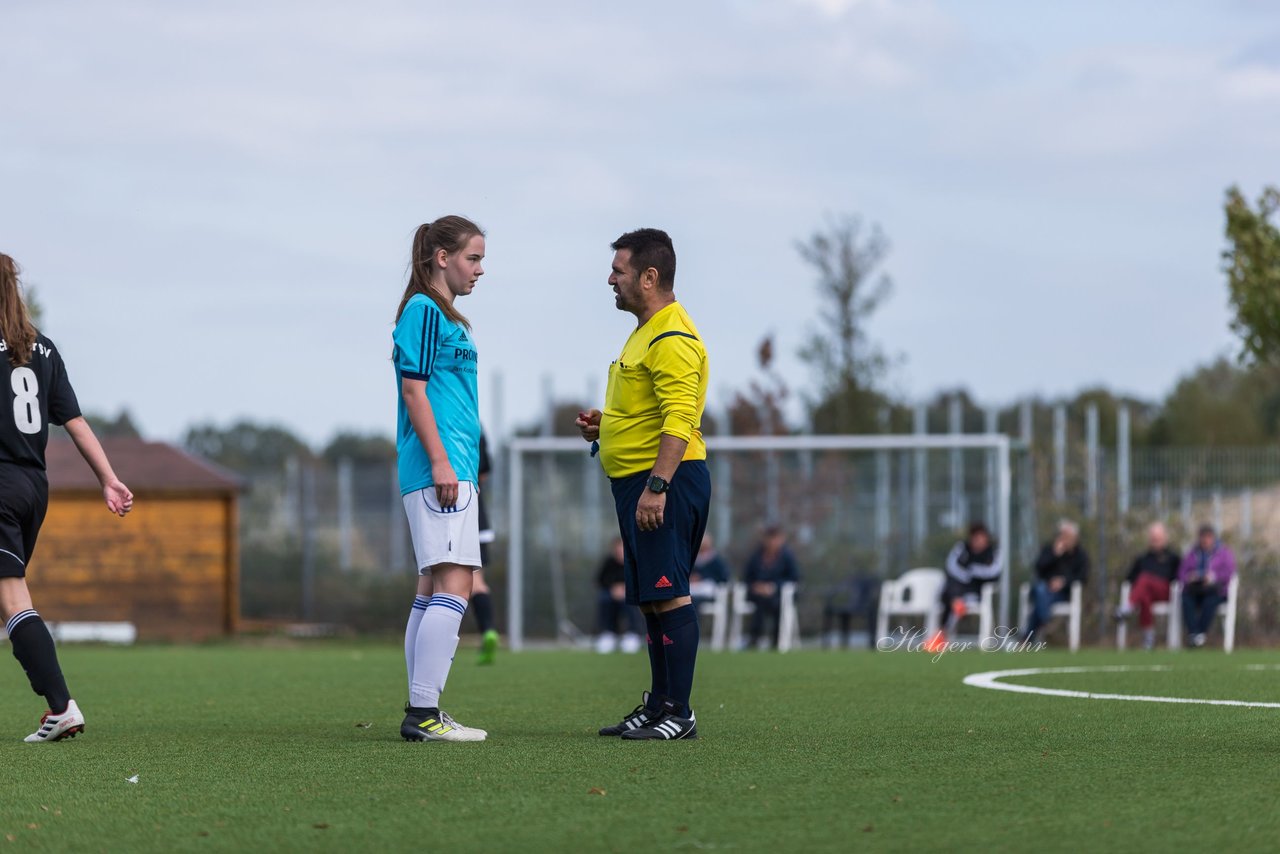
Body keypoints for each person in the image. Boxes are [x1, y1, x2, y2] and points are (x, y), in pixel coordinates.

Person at [576, 227, 710, 741]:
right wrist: (605, 426)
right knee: (652, 600)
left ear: (650, 277)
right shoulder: (645, 331)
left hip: (666, 483)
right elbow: (651, 412)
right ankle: (659, 706)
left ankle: (679, 712)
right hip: (640, 481)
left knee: (669, 595)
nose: (610, 279)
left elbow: (680, 420)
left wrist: (658, 485)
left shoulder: (673, 337)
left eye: (619, 270)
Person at [0, 253, 134, 742]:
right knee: (6, 597)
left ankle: (61, 706)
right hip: (33, 488)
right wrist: (109, 478)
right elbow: (74, 422)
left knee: (13, 600)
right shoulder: (44, 350)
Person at [393, 216, 488, 742]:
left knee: (434, 585)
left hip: (453, 468)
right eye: (473, 259)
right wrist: (441, 462)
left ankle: (422, 709)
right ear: (441, 257)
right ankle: (423, 712)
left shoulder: (444, 315)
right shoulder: (424, 310)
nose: (479, 270)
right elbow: (414, 392)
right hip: (440, 470)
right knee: (456, 581)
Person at [1115, 522, 1181, 650]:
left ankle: (1128, 607)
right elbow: (1130, 578)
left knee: (1145, 578)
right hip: (1147, 594)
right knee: (1144, 595)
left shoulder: (1173, 558)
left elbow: (1178, 578)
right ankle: (1148, 638)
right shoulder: (1142, 558)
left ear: (1164, 538)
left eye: (1158, 538)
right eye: (1153, 538)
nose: (1155, 540)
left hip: (1166, 592)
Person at [1023, 519, 1089, 643]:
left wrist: (1063, 582)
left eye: (1069, 536)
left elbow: (1082, 577)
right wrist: (1054, 554)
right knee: (1041, 590)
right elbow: (1039, 568)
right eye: (1063, 535)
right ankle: (1045, 620)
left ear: (1075, 538)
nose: (1065, 539)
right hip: (1042, 589)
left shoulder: (1080, 555)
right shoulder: (1049, 550)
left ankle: (1028, 638)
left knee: (1040, 602)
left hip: (1062, 594)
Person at [742, 525, 801, 650]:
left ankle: (776, 640)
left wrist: (773, 587)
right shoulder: (757, 556)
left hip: (780, 596)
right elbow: (748, 577)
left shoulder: (787, 557)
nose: (772, 542)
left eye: (776, 538)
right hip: (757, 595)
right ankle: (754, 639)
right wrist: (756, 586)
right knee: (760, 603)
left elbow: (794, 578)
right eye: (770, 538)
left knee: (776, 605)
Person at [1178, 524, 1236, 648]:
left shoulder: (1224, 553)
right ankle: (1194, 634)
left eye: (1208, 537)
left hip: (1216, 590)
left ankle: (1199, 634)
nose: (1205, 540)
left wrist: (1212, 577)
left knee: (1210, 601)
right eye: (1203, 537)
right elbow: (1181, 572)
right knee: (1186, 599)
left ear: (1213, 538)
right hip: (1195, 589)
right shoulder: (1192, 553)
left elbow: (1229, 573)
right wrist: (1191, 577)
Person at [471, 431, 500, 665]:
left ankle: (434, 645)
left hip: (445, 506)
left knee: (433, 583)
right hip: (476, 511)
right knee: (477, 581)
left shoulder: (438, 412)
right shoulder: (475, 423)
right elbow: (485, 472)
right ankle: (488, 630)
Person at [595, 538, 643, 654]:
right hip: (611, 595)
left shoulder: (635, 562)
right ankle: (608, 634)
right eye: (617, 548)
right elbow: (600, 579)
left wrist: (626, 588)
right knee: (604, 599)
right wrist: (613, 588)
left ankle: (632, 635)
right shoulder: (609, 563)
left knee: (630, 602)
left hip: (631, 594)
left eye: (622, 548)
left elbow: (641, 580)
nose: (619, 551)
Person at [689, 532, 730, 607]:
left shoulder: (716, 560)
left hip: (709, 590)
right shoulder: (692, 557)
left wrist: (704, 579)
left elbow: (723, 577)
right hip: (694, 588)